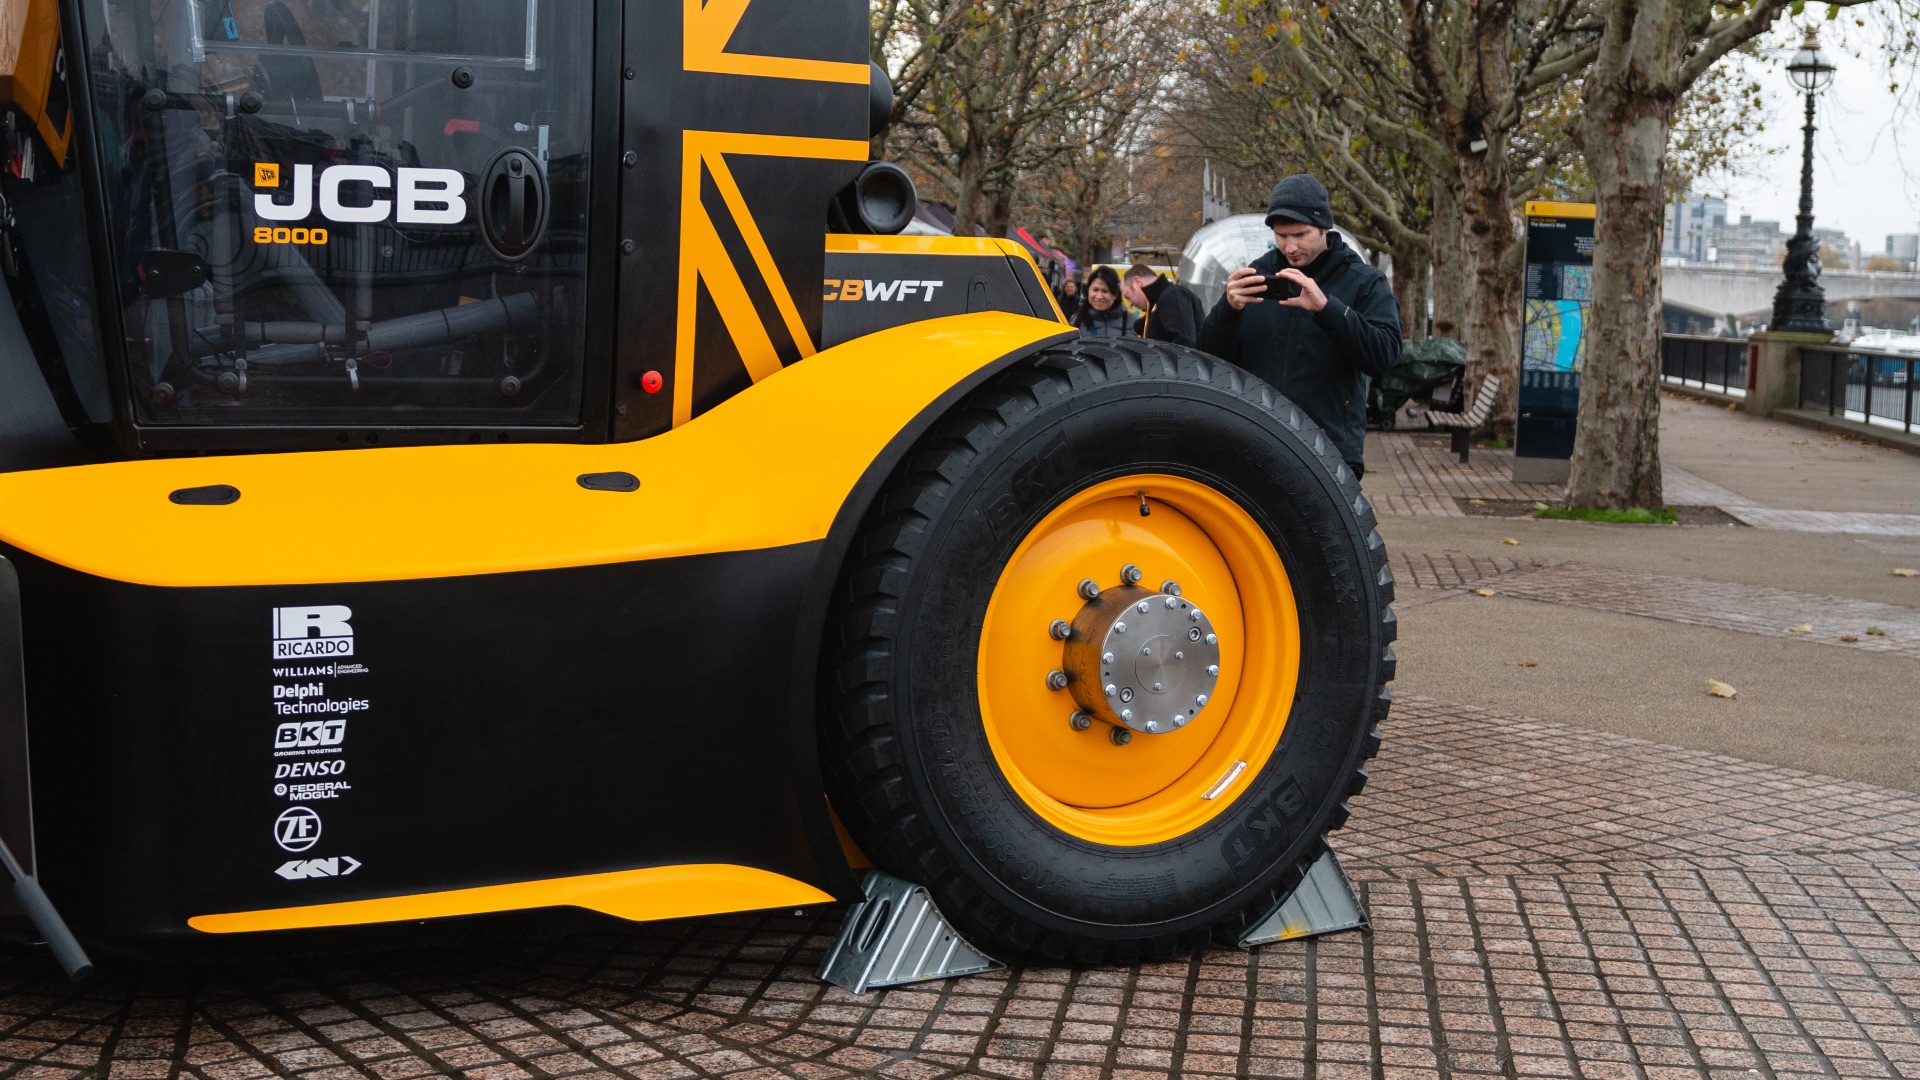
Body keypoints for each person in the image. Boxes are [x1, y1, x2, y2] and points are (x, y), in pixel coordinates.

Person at [1197, 174, 1400, 481]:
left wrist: (1327, 309)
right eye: (1281, 236)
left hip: (1329, 449)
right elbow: (1209, 360)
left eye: (1300, 234)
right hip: (1256, 441)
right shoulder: (1258, 274)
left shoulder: (1364, 281)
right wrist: (1229, 309)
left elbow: (1384, 356)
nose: (1290, 247)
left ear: (1324, 228)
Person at [1122, 264, 1204, 348]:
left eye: (1128, 297)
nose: (1129, 304)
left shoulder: (1172, 296)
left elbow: (1184, 344)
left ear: (1137, 282)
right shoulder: (1160, 302)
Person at [1075, 266, 1133, 339]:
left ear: (1115, 293)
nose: (1099, 296)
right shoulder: (1076, 319)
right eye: (1095, 290)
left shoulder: (1131, 321)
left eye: (1105, 291)